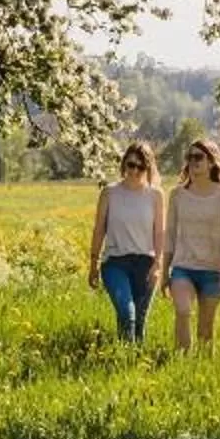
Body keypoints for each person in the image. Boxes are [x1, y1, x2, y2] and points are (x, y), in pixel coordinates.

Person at [160, 135, 220, 355]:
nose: (193, 162)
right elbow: (169, 236)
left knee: (206, 330)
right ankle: (181, 361)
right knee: (183, 310)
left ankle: (202, 368)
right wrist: (164, 272)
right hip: (183, 266)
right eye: (189, 157)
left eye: (198, 157)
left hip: (212, 270)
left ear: (211, 162)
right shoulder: (177, 194)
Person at [88, 141, 166, 347]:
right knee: (126, 311)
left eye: (141, 167)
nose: (134, 171)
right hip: (115, 263)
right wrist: (93, 264)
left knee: (139, 323)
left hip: (145, 264)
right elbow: (99, 230)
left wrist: (158, 265)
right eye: (131, 165)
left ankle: (132, 364)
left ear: (148, 168)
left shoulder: (156, 195)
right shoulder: (109, 193)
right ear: (124, 164)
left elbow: (159, 232)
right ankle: (123, 358)